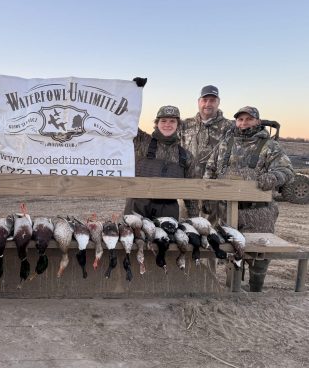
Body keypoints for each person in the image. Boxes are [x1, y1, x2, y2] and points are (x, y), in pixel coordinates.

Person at [204, 106, 294, 292]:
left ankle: (255, 289)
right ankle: (233, 288)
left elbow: (287, 171)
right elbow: (210, 170)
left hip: (258, 211)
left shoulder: (270, 146)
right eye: (240, 119)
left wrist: (272, 177)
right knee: (231, 249)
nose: (244, 123)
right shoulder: (225, 144)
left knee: (259, 252)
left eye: (249, 119)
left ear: (257, 121)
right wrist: (207, 196)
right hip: (227, 210)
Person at [124, 105, 194, 219]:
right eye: (163, 120)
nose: (168, 124)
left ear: (178, 125)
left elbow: (191, 192)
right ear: (157, 123)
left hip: (168, 212)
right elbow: (125, 121)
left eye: (172, 121)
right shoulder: (141, 141)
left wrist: (194, 218)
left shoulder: (186, 156)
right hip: (137, 207)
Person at [180, 85, 233, 217]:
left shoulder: (229, 127)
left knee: (212, 234)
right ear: (199, 102)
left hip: (214, 193)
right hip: (187, 189)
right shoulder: (186, 124)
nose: (208, 104)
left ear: (218, 102)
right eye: (205, 100)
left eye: (212, 100)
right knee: (185, 230)